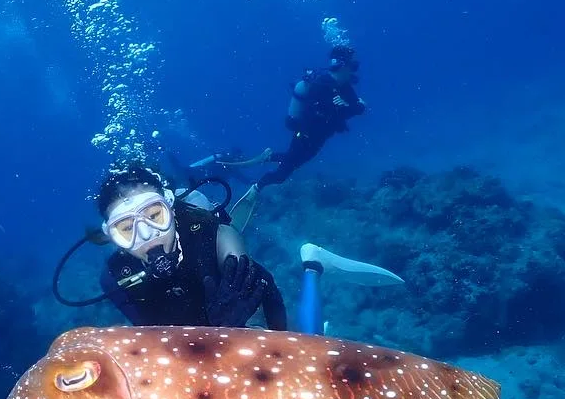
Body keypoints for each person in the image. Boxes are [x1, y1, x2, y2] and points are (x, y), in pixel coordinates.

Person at [97, 164, 289, 330]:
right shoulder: (115, 279)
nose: (147, 235)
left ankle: (311, 266)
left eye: (155, 216)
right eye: (127, 228)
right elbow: (151, 334)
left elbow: (260, 286)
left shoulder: (206, 231)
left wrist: (248, 323)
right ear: (112, 236)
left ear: (170, 206)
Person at [257, 44, 366, 188]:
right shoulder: (321, 86)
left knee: (293, 161)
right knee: (282, 175)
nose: (354, 70)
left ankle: (268, 156)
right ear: (342, 65)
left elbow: (355, 108)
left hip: (318, 139)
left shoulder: (344, 86)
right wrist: (349, 107)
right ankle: (257, 188)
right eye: (354, 65)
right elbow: (347, 110)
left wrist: (350, 107)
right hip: (304, 138)